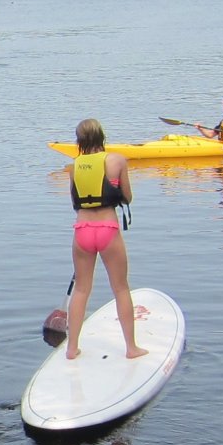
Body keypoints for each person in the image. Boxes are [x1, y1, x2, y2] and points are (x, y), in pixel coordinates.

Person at [65, 119, 147, 362]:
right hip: (108, 229)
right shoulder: (117, 160)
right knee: (120, 287)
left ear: (79, 141)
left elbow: (75, 202)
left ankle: (71, 349)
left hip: (82, 230)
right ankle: (131, 348)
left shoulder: (73, 166)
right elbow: (127, 197)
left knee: (81, 289)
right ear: (102, 136)